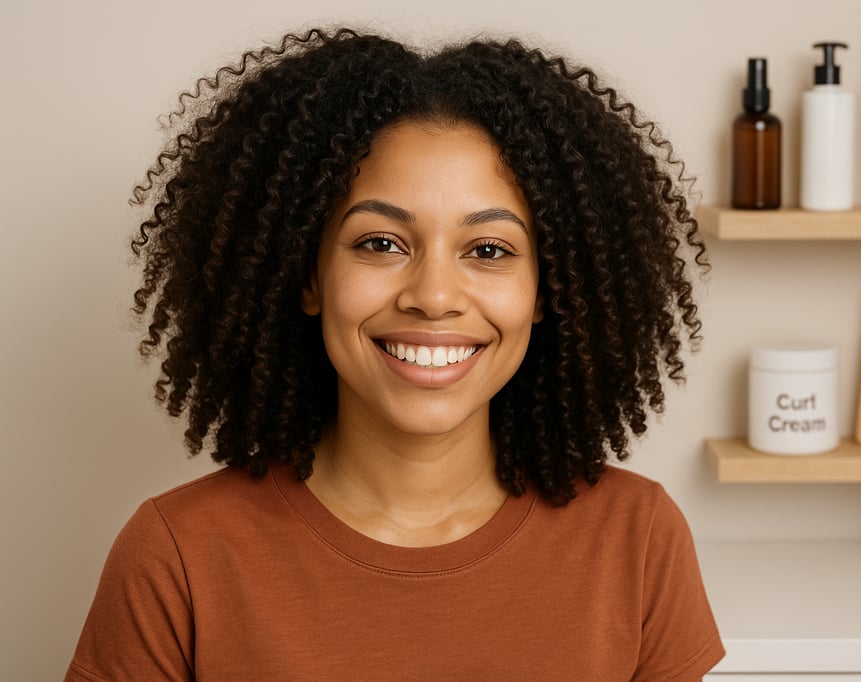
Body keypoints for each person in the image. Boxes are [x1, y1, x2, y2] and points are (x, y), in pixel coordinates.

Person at [66, 26, 723, 681]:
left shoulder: (636, 540)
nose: (433, 296)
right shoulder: (178, 555)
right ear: (307, 276)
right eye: (380, 243)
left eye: (488, 250)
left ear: (548, 290)